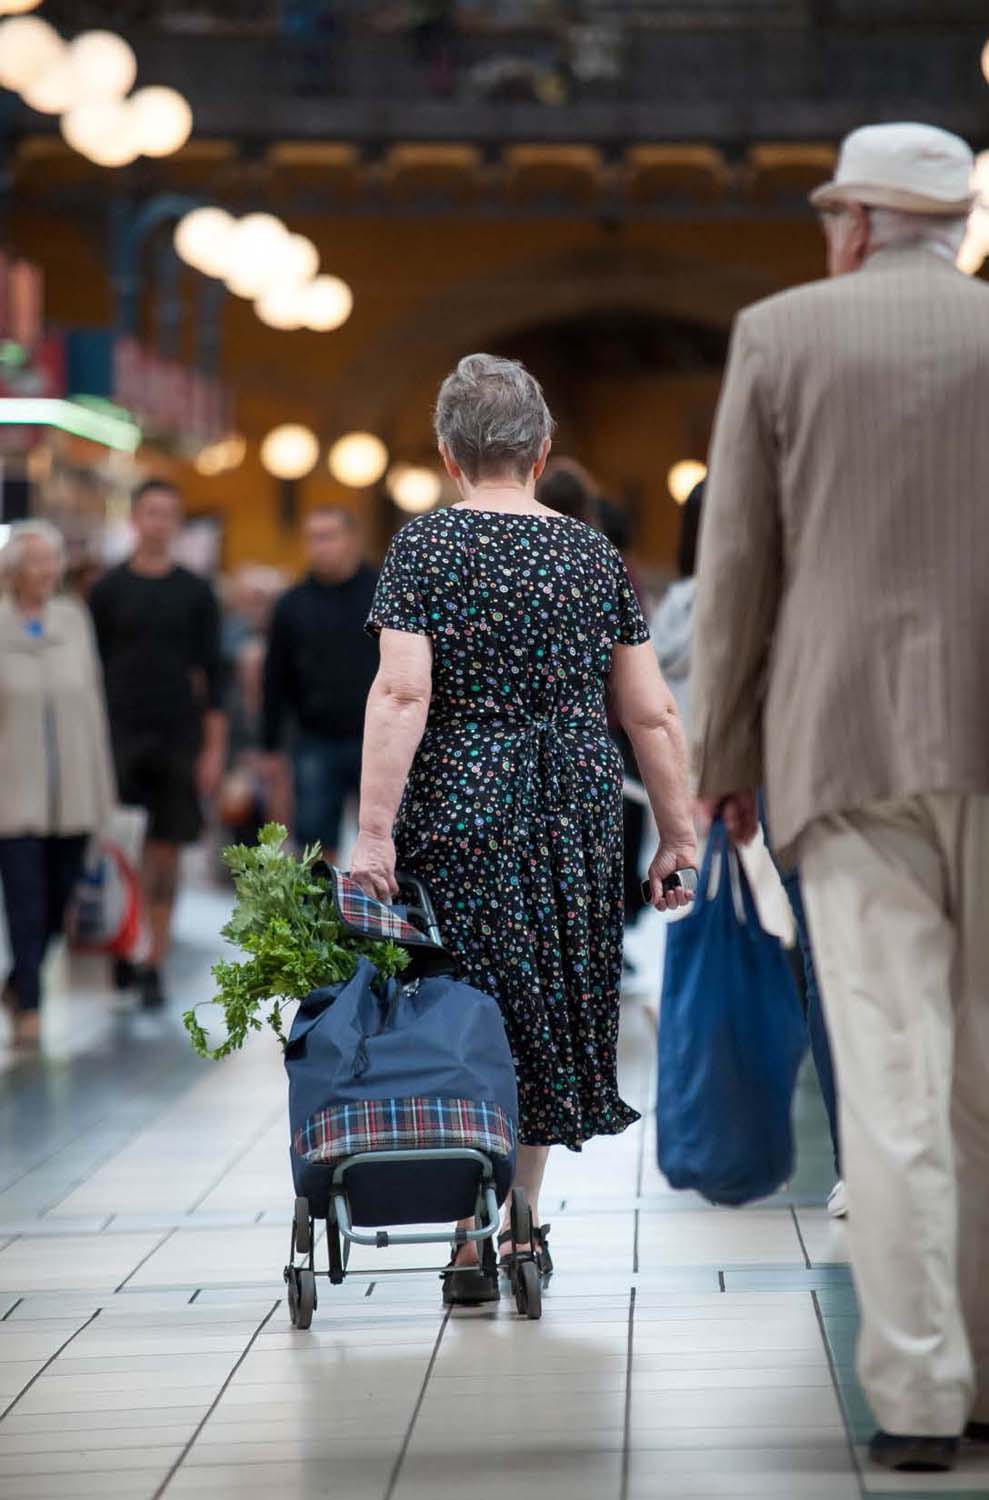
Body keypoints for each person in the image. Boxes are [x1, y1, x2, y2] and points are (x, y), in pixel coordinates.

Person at [689, 123, 989, 1473]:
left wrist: (721, 760)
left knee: (891, 1079)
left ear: (857, 222)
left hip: (845, 747)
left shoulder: (779, 333)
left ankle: (923, 1395)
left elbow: (738, 560)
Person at [351, 352, 696, 1301]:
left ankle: (467, 1233)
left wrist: (375, 831)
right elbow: (651, 712)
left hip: (458, 801)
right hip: (572, 808)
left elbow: (402, 690)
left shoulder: (424, 548)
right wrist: (677, 834)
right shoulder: (590, 553)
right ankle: (521, 1223)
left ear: (447, 454)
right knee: (545, 1006)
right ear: (541, 452)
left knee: (464, 1006)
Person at [654, 484, 844, 1213]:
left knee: (822, 964)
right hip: (811, 772)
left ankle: (856, 1160)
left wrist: (719, 777)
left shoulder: (697, 599)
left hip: (765, 781)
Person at [90, 480, 226, 1011]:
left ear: (178, 523)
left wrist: (212, 750)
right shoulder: (107, 591)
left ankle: (156, 959)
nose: (160, 522)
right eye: (152, 512)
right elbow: (89, 672)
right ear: (135, 518)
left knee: (165, 851)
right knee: (117, 848)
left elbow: (213, 677)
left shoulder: (196, 592)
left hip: (176, 736)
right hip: (116, 735)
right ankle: (119, 944)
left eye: (171, 514)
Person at [0, 521, 115, 1047]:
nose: (47, 571)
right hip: (13, 791)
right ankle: (30, 1005)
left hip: (74, 789)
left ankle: (17, 979)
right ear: (14, 570)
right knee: (23, 899)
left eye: (52, 561)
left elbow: (92, 703)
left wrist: (103, 786)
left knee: (59, 896)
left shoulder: (73, 618)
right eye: (36, 562)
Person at [261, 508, 378, 864]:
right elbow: (275, 676)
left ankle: (377, 918)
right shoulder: (292, 604)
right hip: (315, 738)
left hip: (378, 738)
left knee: (383, 839)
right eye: (313, 538)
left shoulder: (382, 594)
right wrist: (269, 745)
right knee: (313, 844)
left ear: (352, 540)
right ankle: (321, 918)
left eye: (329, 536)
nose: (320, 546)